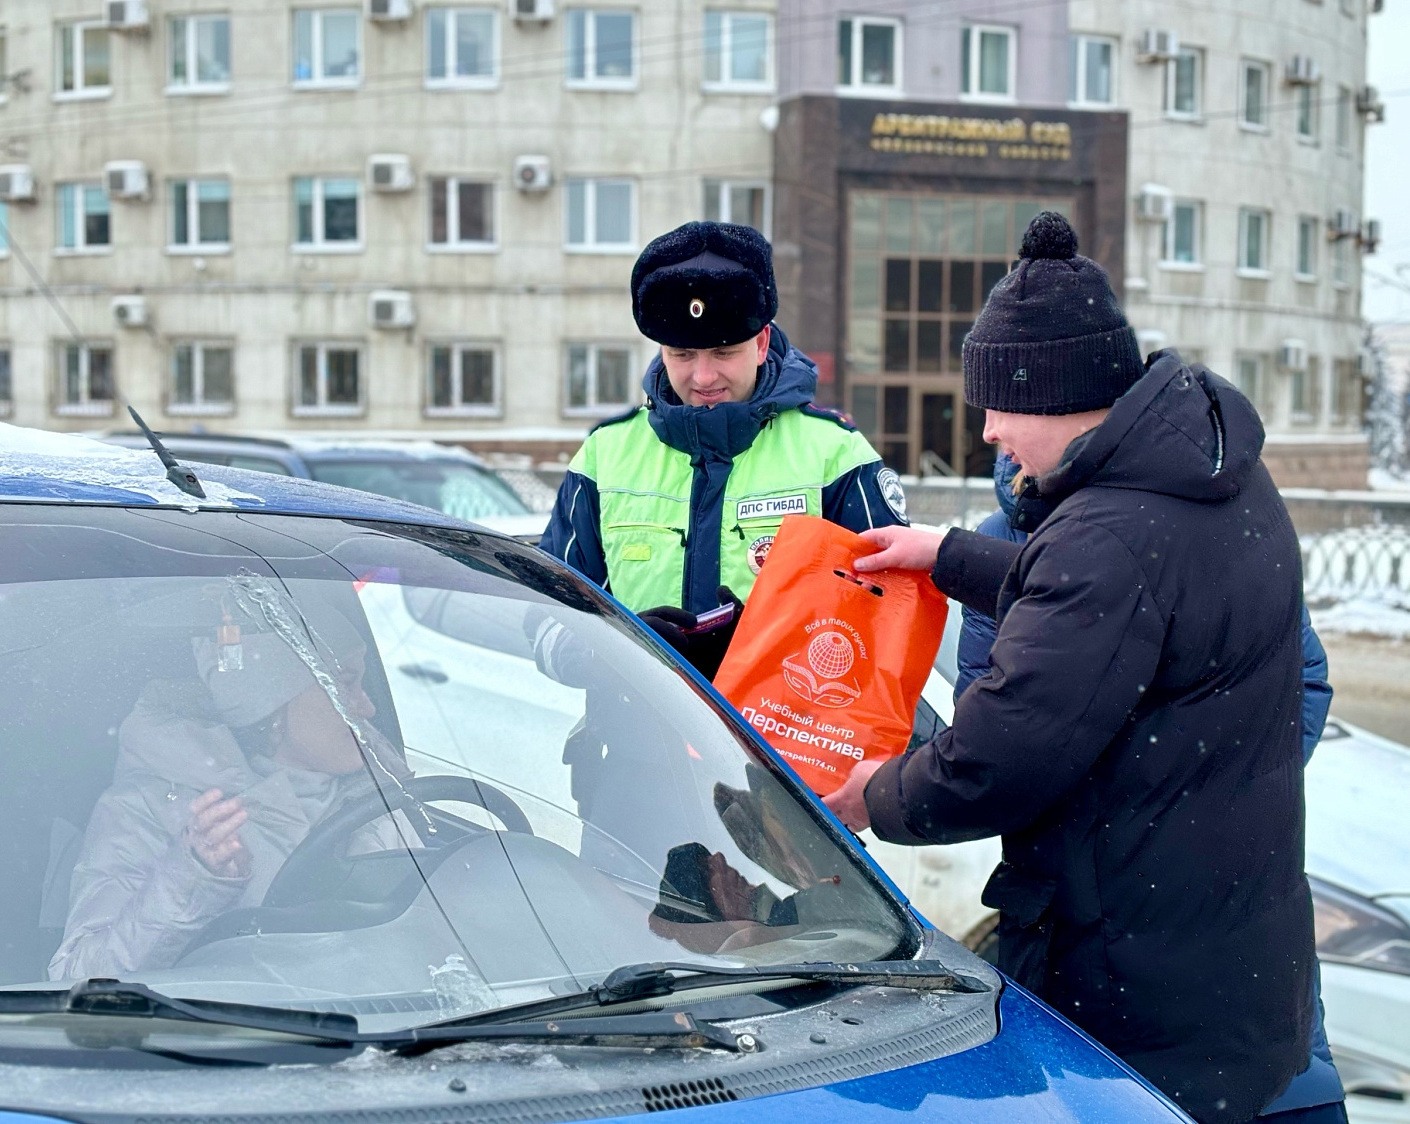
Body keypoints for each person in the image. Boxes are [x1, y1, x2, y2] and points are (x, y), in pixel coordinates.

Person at [824, 212, 1317, 1124]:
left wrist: (875, 796)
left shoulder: (1108, 537)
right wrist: (952, 556)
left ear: (1053, 395)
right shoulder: (1212, 478)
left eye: (998, 408)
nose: (987, 433)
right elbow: (1128, 606)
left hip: (1131, 982)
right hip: (1229, 962)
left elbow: (998, 759)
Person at [957, 452, 1347, 1123]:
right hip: (1082, 932)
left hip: (1237, 921)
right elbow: (993, 729)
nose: (996, 432)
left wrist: (1199, 798)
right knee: (1108, 1097)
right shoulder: (1005, 536)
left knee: (1280, 1090)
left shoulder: (1211, 511)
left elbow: (1302, 680)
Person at [540, 220, 906, 679]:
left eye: (724, 352)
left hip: (781, 726)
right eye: (683, 354)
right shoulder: (604, 456)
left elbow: (893, 619)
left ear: (761, 343)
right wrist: (620, 649)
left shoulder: (835, 456)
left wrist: (765, 655)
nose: (704, 377)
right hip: (632, 723)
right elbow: (547, 619)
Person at [49, 607, 414, 980]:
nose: (367, 707)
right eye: (345, 685)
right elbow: (77, 977)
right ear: (274, 702)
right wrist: (193, 878)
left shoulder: (375, 802)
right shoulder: (144, 807)